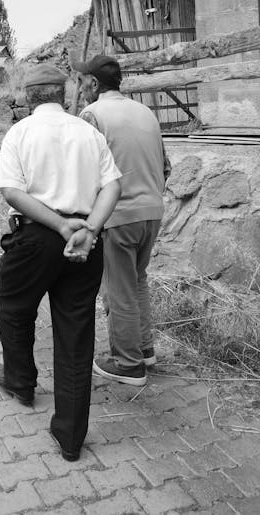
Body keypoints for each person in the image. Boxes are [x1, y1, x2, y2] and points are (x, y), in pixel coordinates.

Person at [0, 63, 121, 461]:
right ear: (63, 95)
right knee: (76, 333)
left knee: (14, 306)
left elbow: (12, 191)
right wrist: (90, 230)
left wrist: (61, 226)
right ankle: (70, 434)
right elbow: (113, 185)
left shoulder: (21, 132)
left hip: (37, 237)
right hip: (85, 240)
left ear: (29, 98)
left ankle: (21, 382)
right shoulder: (89, 132)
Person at [71, 54, 170, 387]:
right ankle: (144, 349)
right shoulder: (146, 112)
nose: (79, 87)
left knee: (119, 290)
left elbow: (83, 172)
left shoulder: (92, 115)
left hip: (119, 215)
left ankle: (128, 364)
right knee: (137, 281)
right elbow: (165, 166)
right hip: (152, 211)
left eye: (81, 81)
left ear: (94, 83)